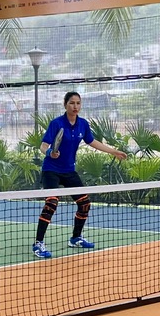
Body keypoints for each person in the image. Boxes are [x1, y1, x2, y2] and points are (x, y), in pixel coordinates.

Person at [32, 91, 127, 258]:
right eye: (72, 103)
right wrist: (49, 153)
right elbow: (43, 145)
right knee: (52, 203)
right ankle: (38, 243)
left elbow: (92, 142)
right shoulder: (57, 123)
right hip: (51, 170)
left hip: (69, 171)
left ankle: (75, 238)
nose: (75, 106)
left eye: (78, 103)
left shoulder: (83, 124)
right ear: (65, 104)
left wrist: (113, 151)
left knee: (85, 204)